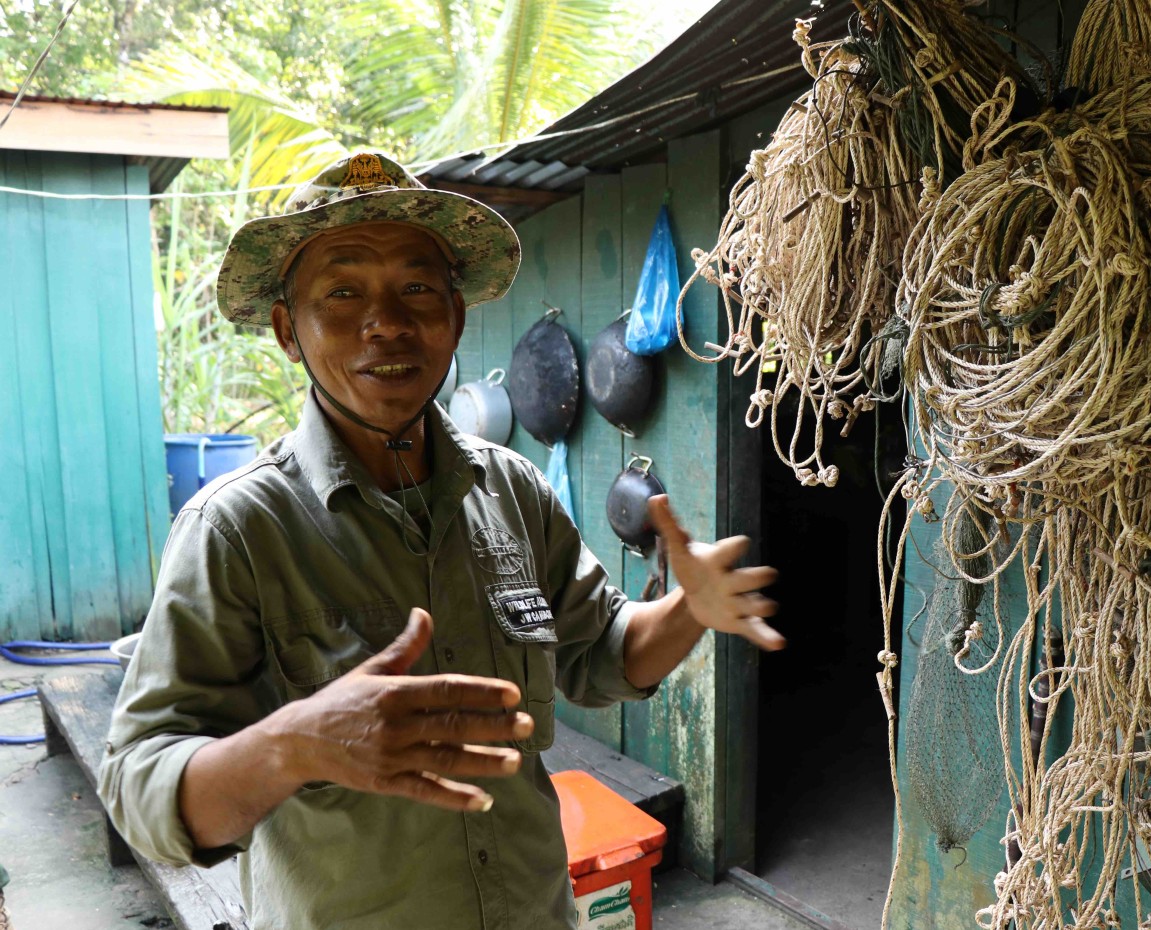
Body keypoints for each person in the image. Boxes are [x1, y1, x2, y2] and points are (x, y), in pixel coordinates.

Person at [98, 151, 782, 929]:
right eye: (343, 292)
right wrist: (294, 745)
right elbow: (140, 790)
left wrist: (687, 611)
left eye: (416, 288)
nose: (385, 321)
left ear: (455, 316)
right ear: (289, 330)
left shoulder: (512, 488)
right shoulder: (238, 529)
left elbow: (601, 654)